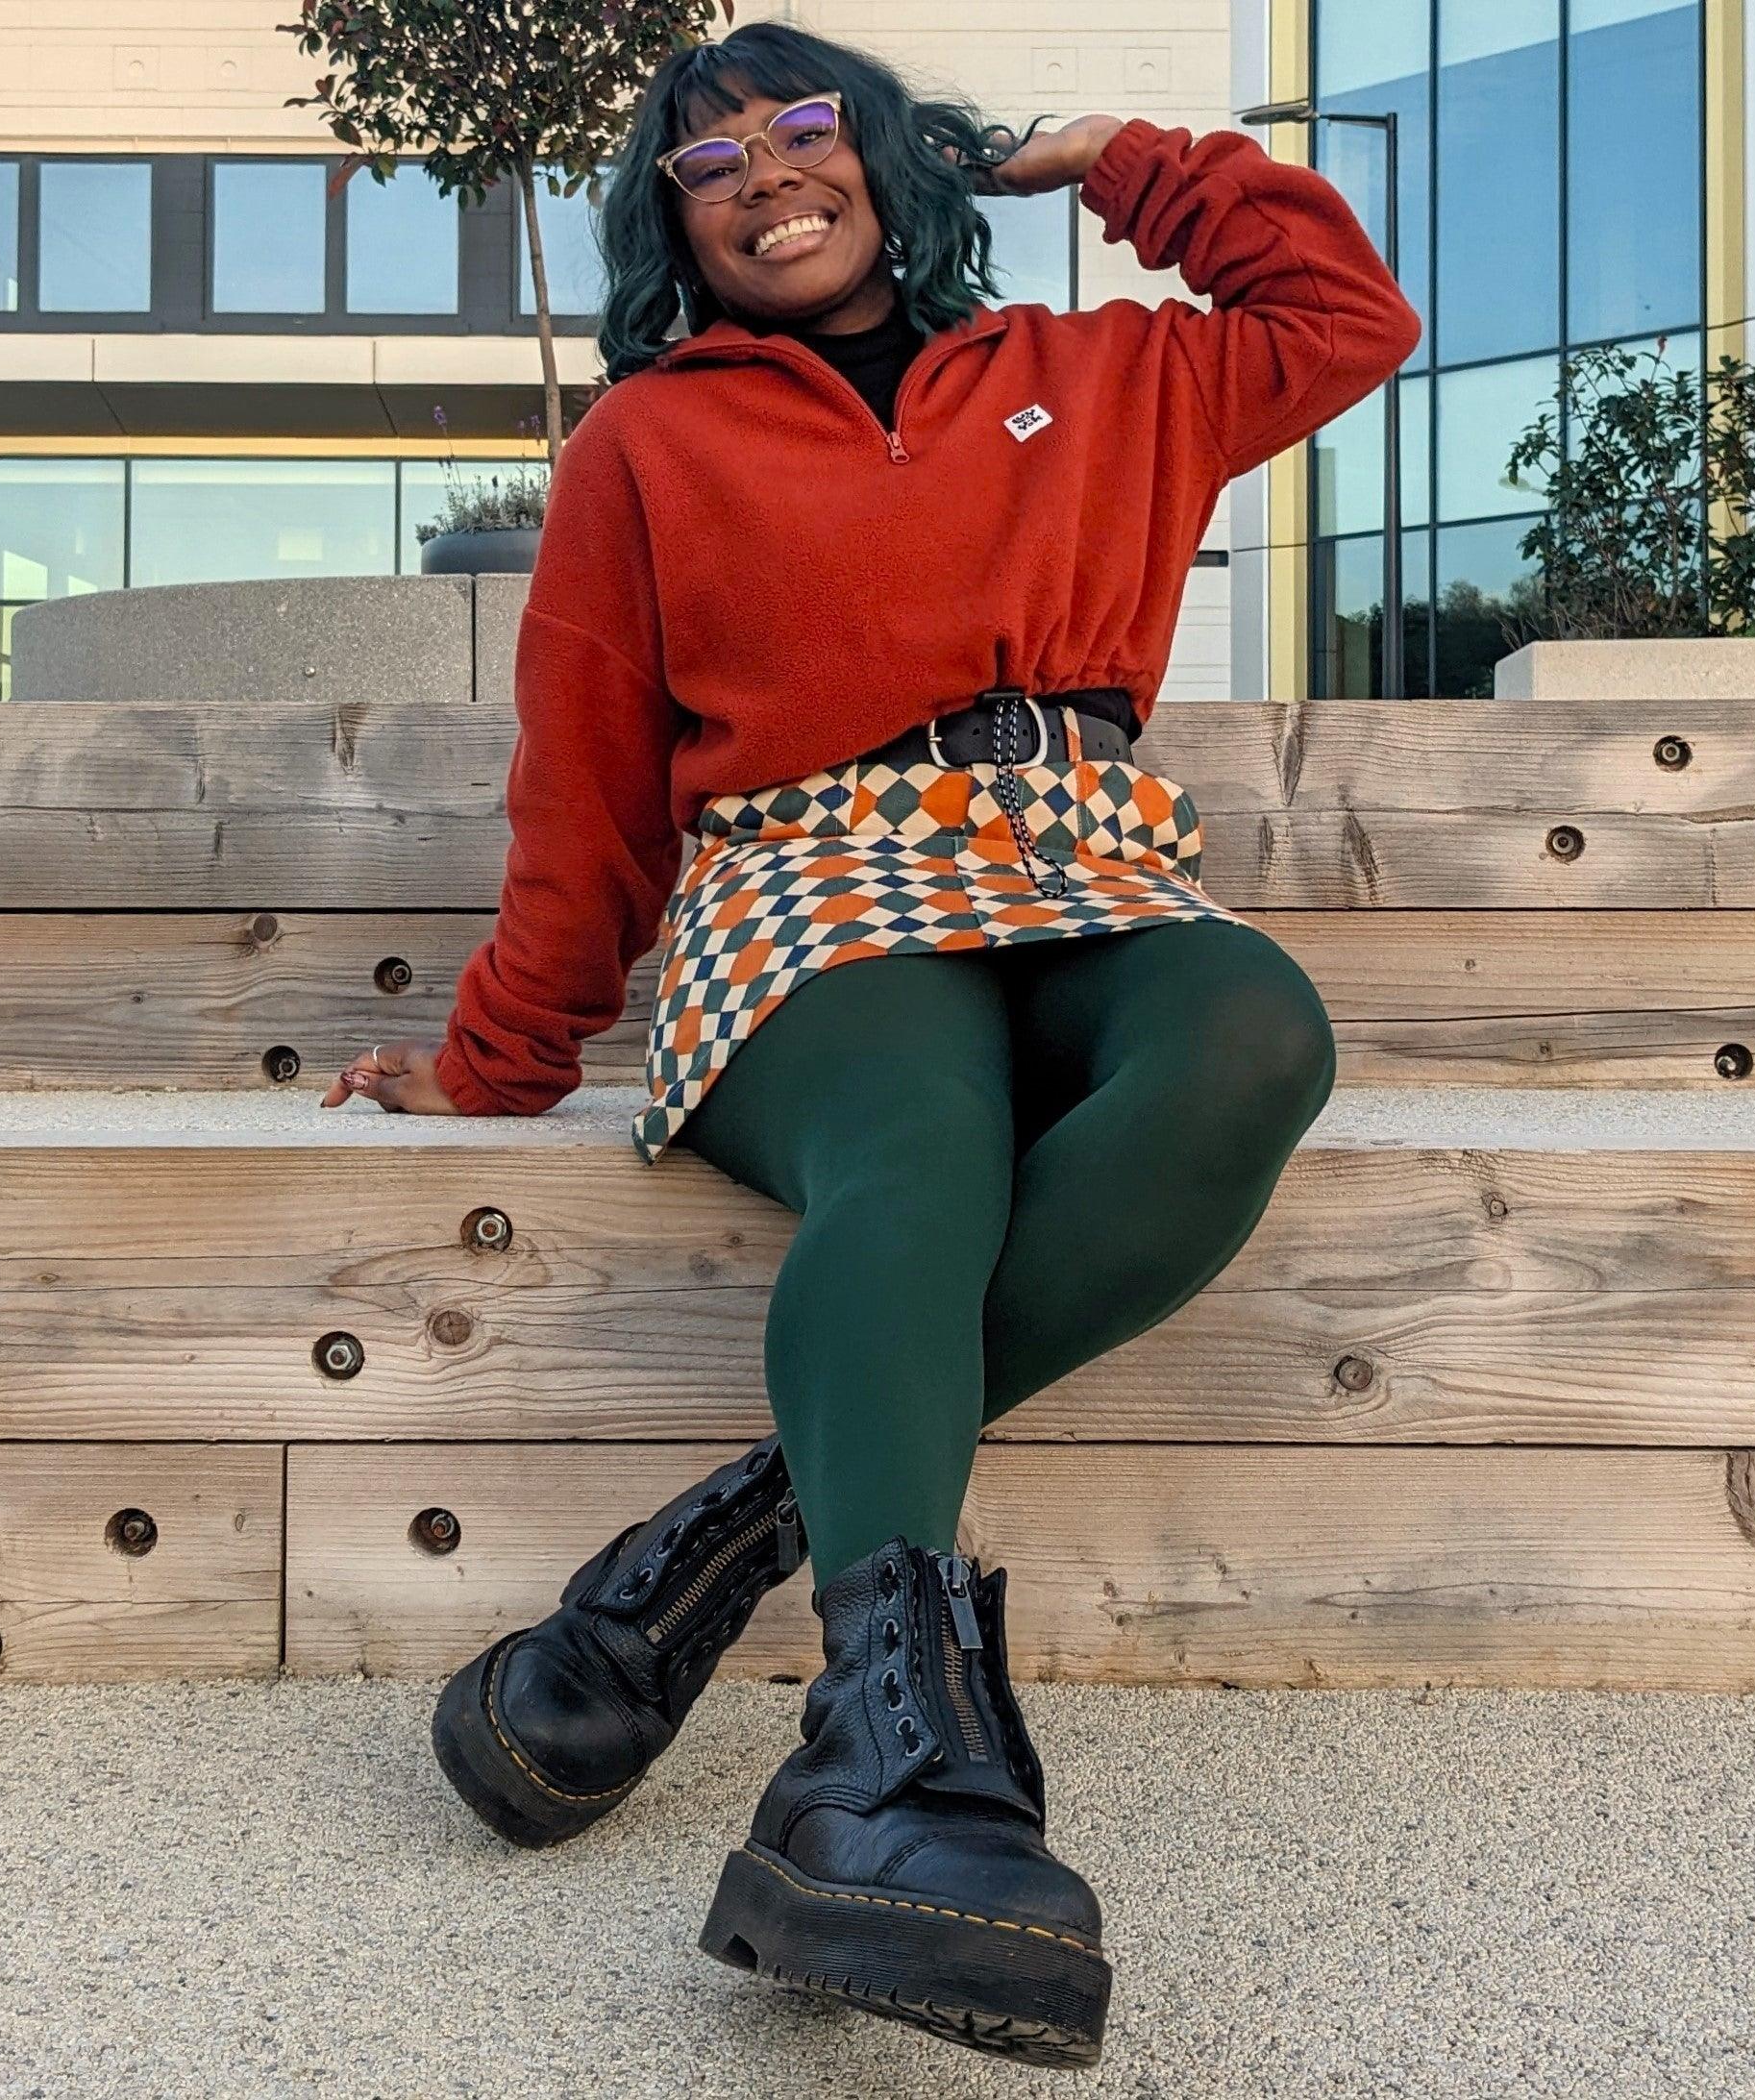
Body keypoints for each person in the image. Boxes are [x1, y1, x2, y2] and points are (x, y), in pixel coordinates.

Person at [318, 20, 1419, 2070]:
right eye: (706, 162)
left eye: (804, 128)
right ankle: (893, 1764)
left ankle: (700, 1562)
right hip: (805, 873)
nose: (762, 174)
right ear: (674, 227)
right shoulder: (647, 443)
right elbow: (586, 783)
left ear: (891, 158)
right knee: (923, 1145)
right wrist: (502, 1054)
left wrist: (1114, 159)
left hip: (1082, 856)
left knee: (1253, 1031)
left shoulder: (1101, 375)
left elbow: (1347, 317)